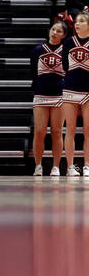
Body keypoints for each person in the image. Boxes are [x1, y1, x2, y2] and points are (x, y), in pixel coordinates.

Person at [31, 21, 67, 176]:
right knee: (39, 132)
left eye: (59, 31)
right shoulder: (38, 50)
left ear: (64, 35)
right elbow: (33, 72)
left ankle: (56, 166)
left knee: (57, 132)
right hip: (41, 93)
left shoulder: (66, 51)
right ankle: (38, 165)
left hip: (59, 94)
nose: (54, 33)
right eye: (53, 29)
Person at [62, 12, 89, 177]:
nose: (77, 24)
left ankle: (87, 165)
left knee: (88, 130)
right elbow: (65, 65)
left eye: (82, 21)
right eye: (76, 22)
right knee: (70, 129)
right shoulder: (68, 42)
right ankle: (70, 166)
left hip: (88, 91)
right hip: (70, 88)